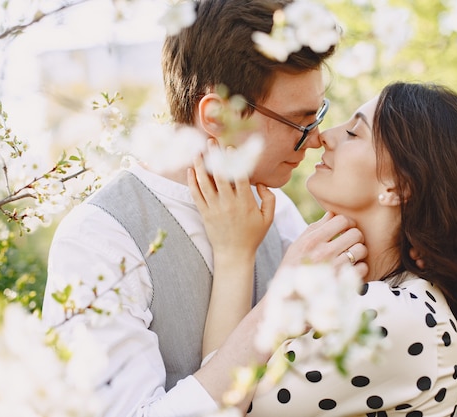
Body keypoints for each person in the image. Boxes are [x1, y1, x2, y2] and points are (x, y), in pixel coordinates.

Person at [41, 1, 369, 416]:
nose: (317, 138)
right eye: (299, 121)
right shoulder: (99, 241)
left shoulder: (277, 210)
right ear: (217, 116)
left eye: (317, 113)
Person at [188, 81, 457, 415]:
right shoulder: (371, 295)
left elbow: (218, 403)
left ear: (399, 187)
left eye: (354, 132)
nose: (324, 135)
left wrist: (236, 255)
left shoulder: (396, 316)